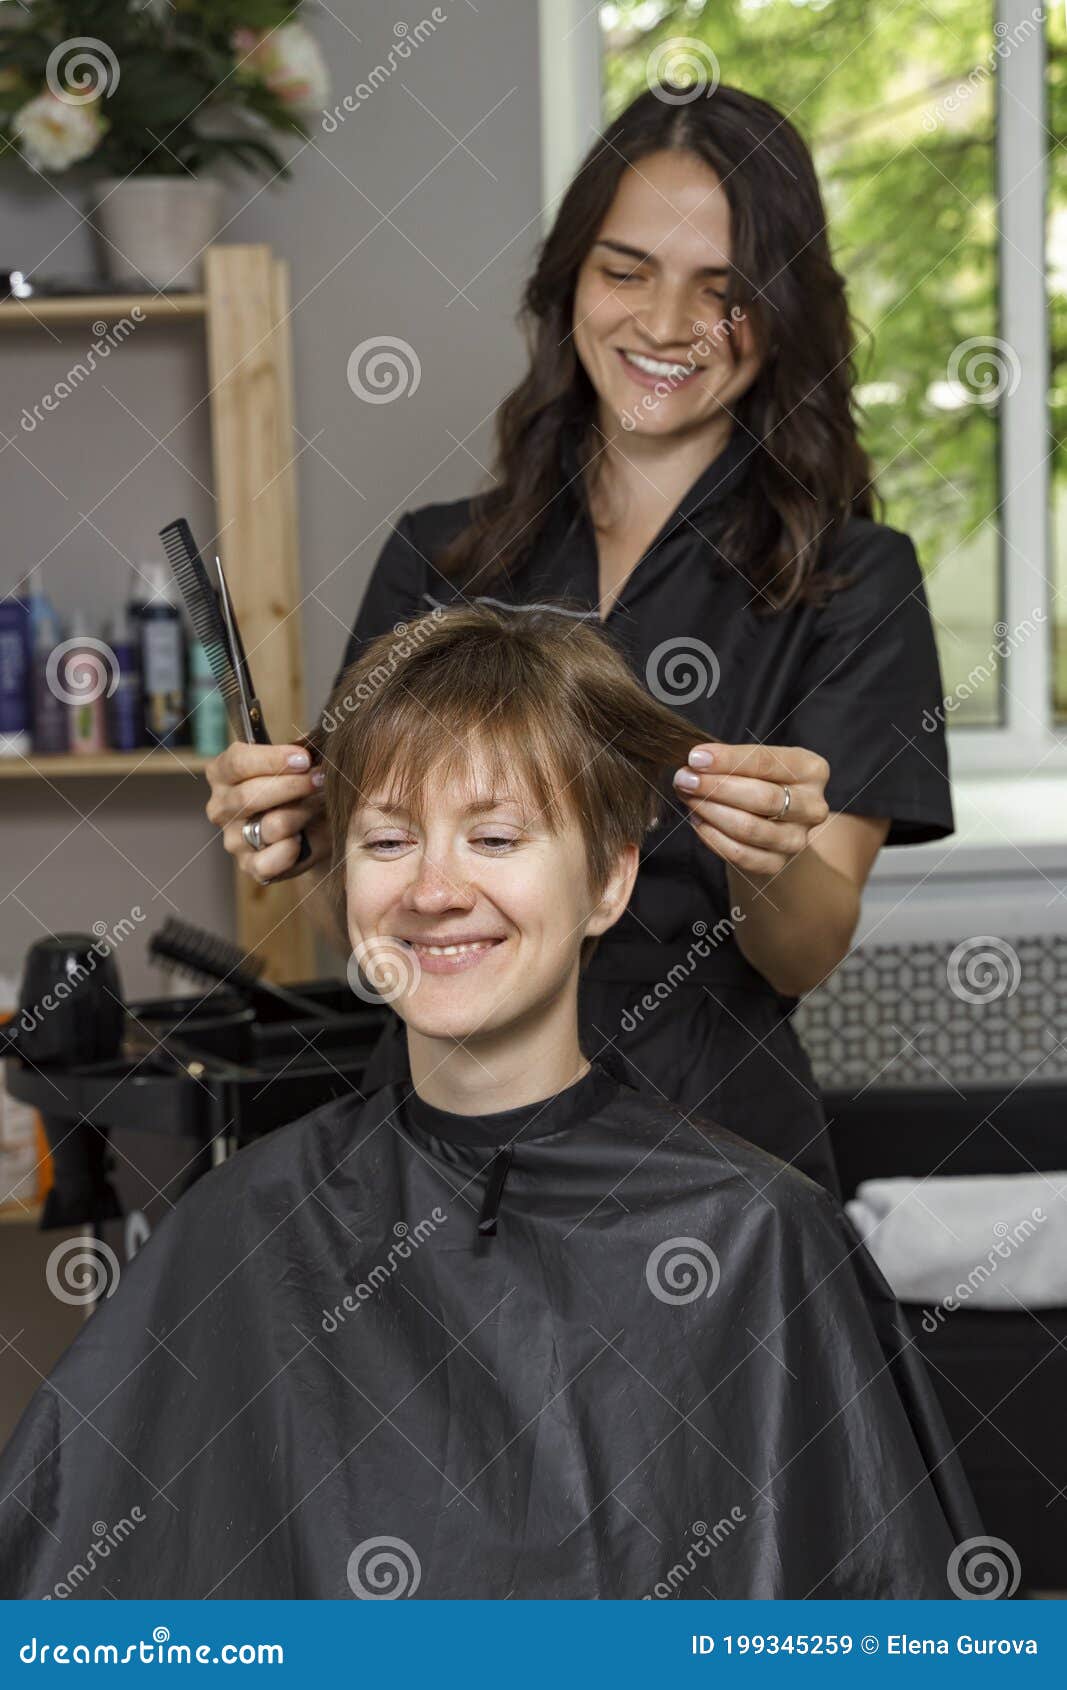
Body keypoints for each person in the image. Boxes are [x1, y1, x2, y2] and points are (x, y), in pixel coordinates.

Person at [0, 608, 979, 1600]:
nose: (433, 889)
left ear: (607, 880)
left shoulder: (755, 1235)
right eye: (386, 839)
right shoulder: (238, 1229)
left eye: (495, 835)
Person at [203, 82, 953, 1199]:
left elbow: (801, 951)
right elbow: (366, 906)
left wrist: (771, 856)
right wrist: (303, 835)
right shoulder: (440, 562)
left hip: (715, 1147)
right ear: (567, 285)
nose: (662, 325)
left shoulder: (850, 583)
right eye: (623, 270)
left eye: (723, 290)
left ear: (783, 310)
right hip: (439, 1131)